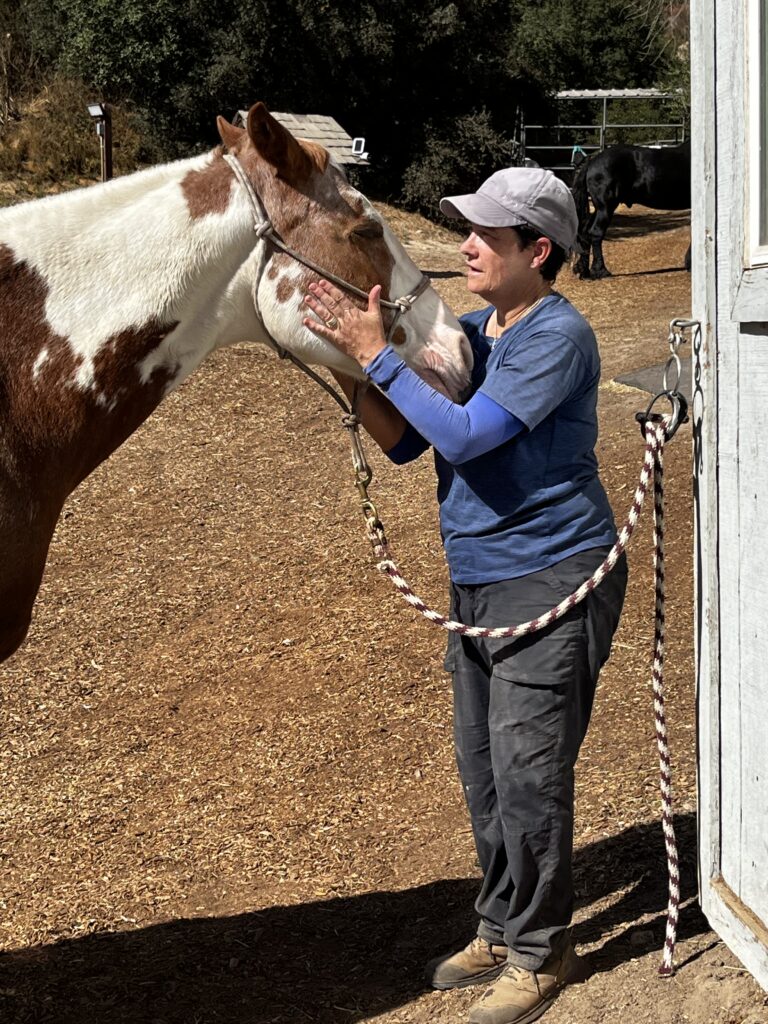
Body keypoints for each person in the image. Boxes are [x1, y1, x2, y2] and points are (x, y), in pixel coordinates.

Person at [302, 167, 628, 1024]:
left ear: (539, 250)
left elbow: (471, 436)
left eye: (487, 234)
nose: (466, 245)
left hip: (553, 575)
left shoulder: (560, 337)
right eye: (467, 230)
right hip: (481, 578)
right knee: (484, 769)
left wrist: (381, 355)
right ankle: (502, 920)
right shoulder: (478, 332)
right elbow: (412, 442)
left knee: (527, 774)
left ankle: (541, 948)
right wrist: (349, 369)